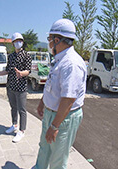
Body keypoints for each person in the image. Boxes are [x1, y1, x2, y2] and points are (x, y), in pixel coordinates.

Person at [34, 19, 87, 169]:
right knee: (44, 148)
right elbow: (52, 85)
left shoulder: (71, 64)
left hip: (63, 118)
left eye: (50, 39)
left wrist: (55, 126)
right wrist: (42, 102)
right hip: (51, 114)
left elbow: (68, 99)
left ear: (57, 40)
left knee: (58, 158)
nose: (49, 43)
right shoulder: (59, 59)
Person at [0, 32, 32, 143]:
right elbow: (7, 70)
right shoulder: (11, 56)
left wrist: (22, 73)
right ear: (13, 43)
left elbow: (28, 70)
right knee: (13, 107)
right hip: (11, 86)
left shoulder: (26, 55)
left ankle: (21, 131)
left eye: (20, 41)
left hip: (21, 87)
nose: (18, 43)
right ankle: (14, 125)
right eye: (16, 41)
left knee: (22, 109)